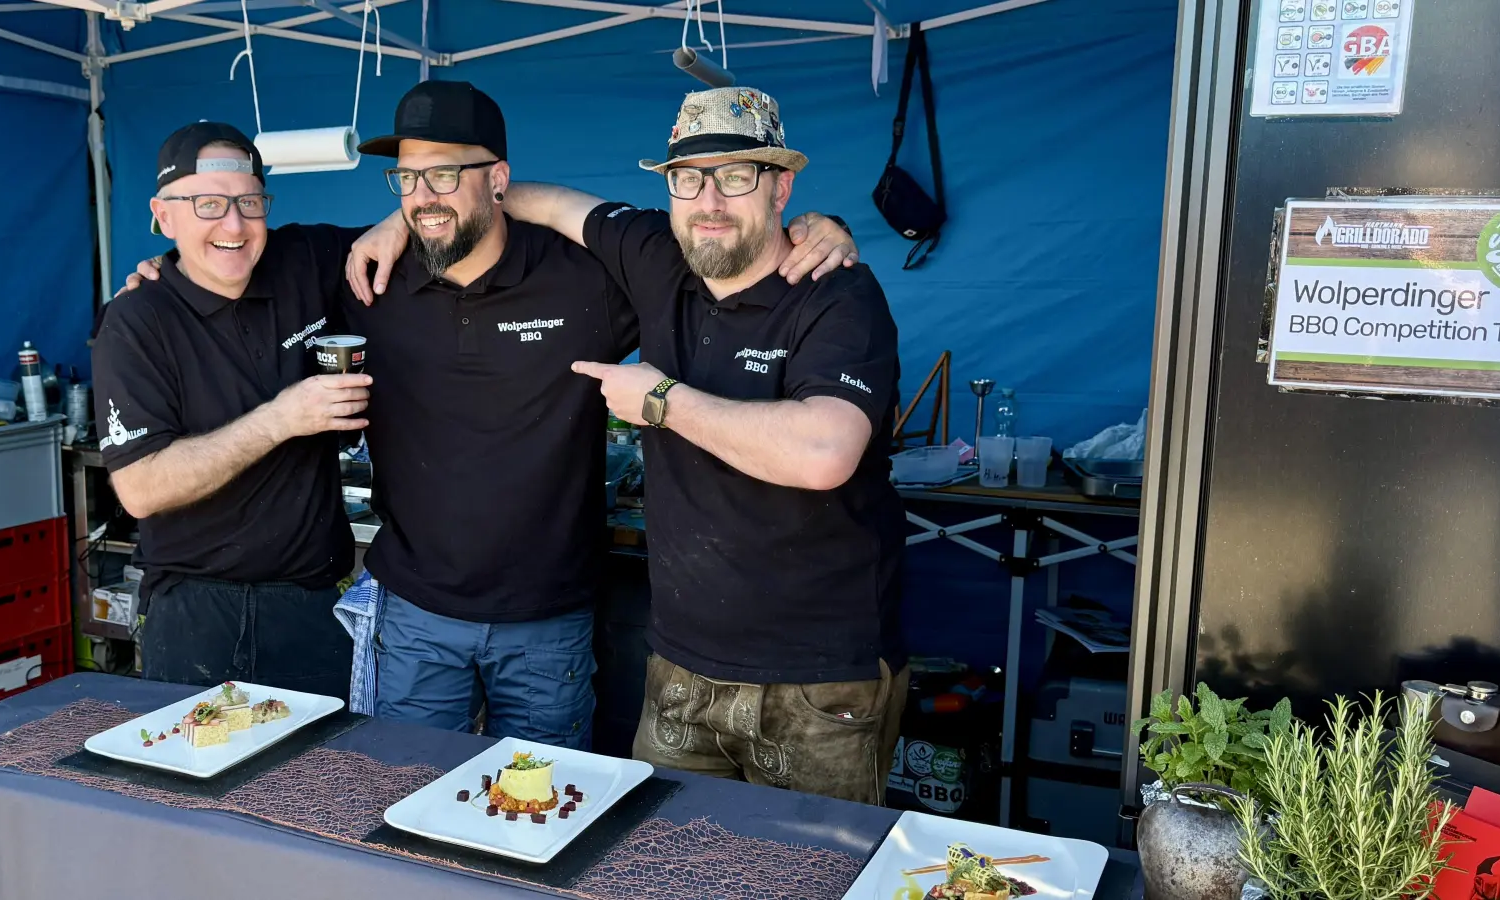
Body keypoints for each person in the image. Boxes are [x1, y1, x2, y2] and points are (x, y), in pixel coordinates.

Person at [124, 81, 858, 746]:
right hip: (412, 618)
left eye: (444, 173)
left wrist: (815, 228)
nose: (423, 195)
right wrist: (162, 270)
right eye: (408, 178)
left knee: (539, 818)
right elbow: (222, 259)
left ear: (498, 179)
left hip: (552, 620)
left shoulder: (589, 282)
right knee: (402, 812)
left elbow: (719, 247)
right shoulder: (361, 277)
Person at [347, 86, 907, 804]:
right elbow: (546, 202)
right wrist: (405, 216)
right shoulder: (658, 261)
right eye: (688, 179)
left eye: (737, 176)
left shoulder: (836, 294)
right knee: (657, 866)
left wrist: (660, 402)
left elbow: (824, 451)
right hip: (679, 670)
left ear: (781, 187)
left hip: (819, 679)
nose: (709, 200)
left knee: (806, 875)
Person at [92, 122, 370, 698]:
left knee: (327, 783)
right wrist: (282, 419)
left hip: (314, 607)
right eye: (208, 205)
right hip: (196, 617)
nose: (234, 225)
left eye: (249, 202)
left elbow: (424, 224)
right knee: (191, 785)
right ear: (163, 216)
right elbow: (141, 488)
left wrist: (399, 230)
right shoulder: (138, 322)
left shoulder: (304, 260)